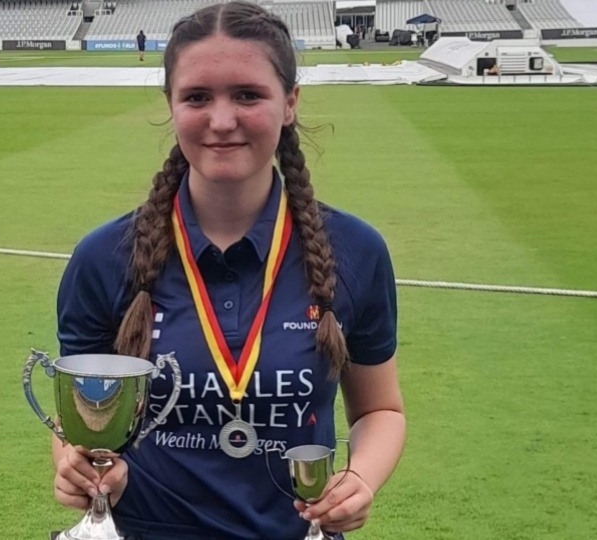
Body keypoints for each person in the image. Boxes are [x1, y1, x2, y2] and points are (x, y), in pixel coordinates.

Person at [53, 2, 406, 539]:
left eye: (248, 94)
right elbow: (79, 423)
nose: (221, 120)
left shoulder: (355, 250)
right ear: (170, 105)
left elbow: (380, 409)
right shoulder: (105, 257)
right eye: (197, 97)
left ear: (289, 103)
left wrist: (359, 480)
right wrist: (75, 463)